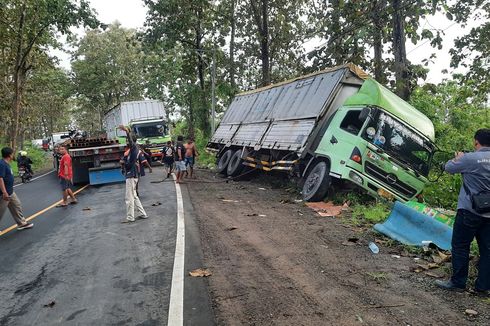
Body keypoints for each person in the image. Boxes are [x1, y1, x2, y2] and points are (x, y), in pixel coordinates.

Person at [435, 129, 490, 295]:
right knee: (487, 251)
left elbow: (448, 168)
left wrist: (457, 158)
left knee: (460, 246)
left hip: (469, 211)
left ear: (476, 142)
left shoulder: (470, 158)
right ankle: (483, 287)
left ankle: (458, 283)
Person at [0, 147, 34, 230]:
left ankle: (21, 223)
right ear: (10, 155)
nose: (13, 155)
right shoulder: (2, 164)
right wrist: (4, 192)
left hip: (10, 192)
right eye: (12, 153)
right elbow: (0, 178)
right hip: (4, 194)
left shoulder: (6, 163)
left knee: (16, 205)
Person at [119, 125, 148, 223]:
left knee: (129, 197)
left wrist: (127, 132)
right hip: (132, 174)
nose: (127, 143)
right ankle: (142, 213)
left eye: (128, 141)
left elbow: (131, 142)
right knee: (134, 196)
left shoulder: (134, 148)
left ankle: (130, 217)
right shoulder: (131, 151)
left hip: (132, 175)